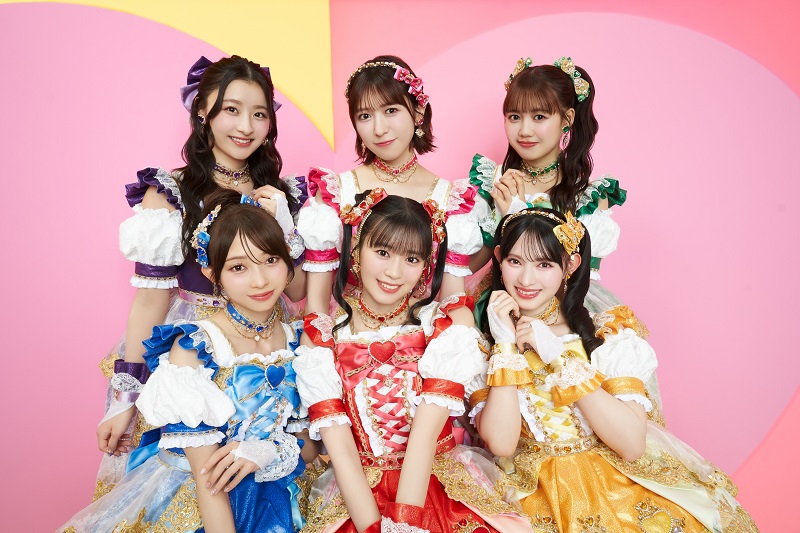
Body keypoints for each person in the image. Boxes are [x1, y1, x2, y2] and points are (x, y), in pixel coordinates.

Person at [95, 55, 308, 497]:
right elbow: (150, 301)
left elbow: (299, 291)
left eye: (259, 114)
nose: (246, 126)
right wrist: (125, 399)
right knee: (195, 479)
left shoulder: (280, 193)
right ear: (201, 113)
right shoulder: (172, 192)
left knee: (273, 467)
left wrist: (285, 226)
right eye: (231, 109)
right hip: (194, 347)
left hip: (266, 344)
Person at [472, 208, 757, 532]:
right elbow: (502, 444)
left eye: (544, 265)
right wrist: (505, 344)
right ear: (499, 258)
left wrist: (559, 356)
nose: (526, 280)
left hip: (616, 488)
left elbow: (631, 444)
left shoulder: (606, 334)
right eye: (515, 261)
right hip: (531, 498)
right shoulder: (482, 344)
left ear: (570, 265)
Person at [62, 189, 312, 532]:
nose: (260, 281)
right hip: (208, 505)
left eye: (271, 260)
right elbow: (208, 479)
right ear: (212, 273)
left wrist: (270, 450)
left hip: (282, 490)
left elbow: (311, 447)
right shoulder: (195, 348)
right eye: (238, 267)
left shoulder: (298, 339)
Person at [294, 192, 529, 533]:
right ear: (356, 250)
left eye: (411, 258)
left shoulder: (445, 325)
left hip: (436, 485)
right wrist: (373, 529)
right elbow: (341, 451)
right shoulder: (322, 338)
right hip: (357, 495)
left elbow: (424, 436)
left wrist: (405, 523)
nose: (394, 272)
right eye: (382, 252)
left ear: (426, 266)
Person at [297, 55, 482, 318]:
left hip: (422, 335)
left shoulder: (449, 200)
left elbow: (452, 302)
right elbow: (316, 305)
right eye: (365, 116)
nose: (379, 129)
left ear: (418, 112)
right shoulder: (336, 192)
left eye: (391, 111)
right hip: (348, 334)